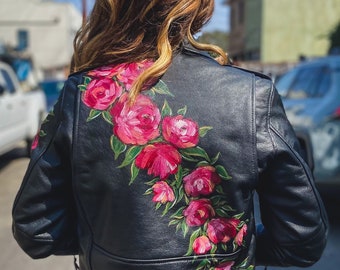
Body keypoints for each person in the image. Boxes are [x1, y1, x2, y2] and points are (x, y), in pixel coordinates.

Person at [12, 1, 328, 269]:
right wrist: (228, 249)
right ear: (198, 8)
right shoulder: (252, 96)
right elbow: (303, 239)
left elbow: (35, 230)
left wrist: (108, 245)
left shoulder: (82, 95)